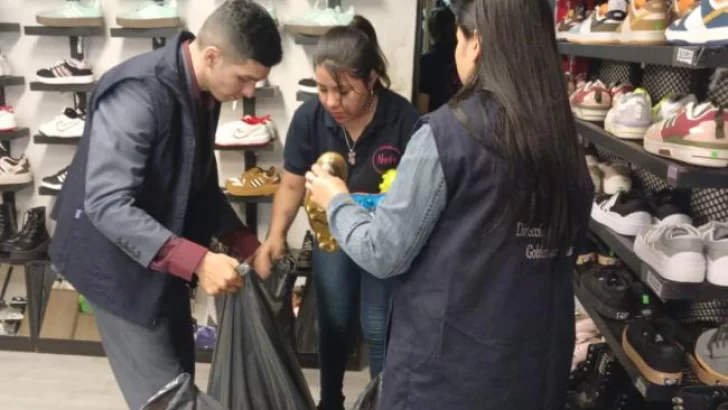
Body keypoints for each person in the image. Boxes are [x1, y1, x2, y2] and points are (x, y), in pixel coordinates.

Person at [304, 0, 594, 408]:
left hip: (448, 376)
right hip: (534, 368)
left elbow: (384, 252)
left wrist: (336, 200)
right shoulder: (565, 142)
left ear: (476, 44)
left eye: (459, 37)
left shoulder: (447, 135)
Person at [47, 2, 282, 409]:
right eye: (244, 79)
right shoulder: (139, 93)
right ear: (212, 55)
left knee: (180, 376)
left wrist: (245, 242)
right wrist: (199, 261)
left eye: (256, 83)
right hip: (114, 266)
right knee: (169, 402)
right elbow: (106, 203)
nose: (248, 93)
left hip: (162, 254)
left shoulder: (205, 92)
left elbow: (200, 183)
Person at [253, 15, 419, 410]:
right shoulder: (310, 119)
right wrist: (275, 235)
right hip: (334, 236)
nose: (331, 101)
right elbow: (292, 184)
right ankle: (330, 401)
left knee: (379, 328)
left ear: (372, 78)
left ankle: (381, 400)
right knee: (333, 322)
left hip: (384, 242)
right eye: (323, 89)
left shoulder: (404, 119)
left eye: (343, 91)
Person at [416, 5, 461, 113]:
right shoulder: (463, 58)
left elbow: (422, 106)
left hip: (436, 123)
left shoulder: (426, 62)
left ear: (432, 31)